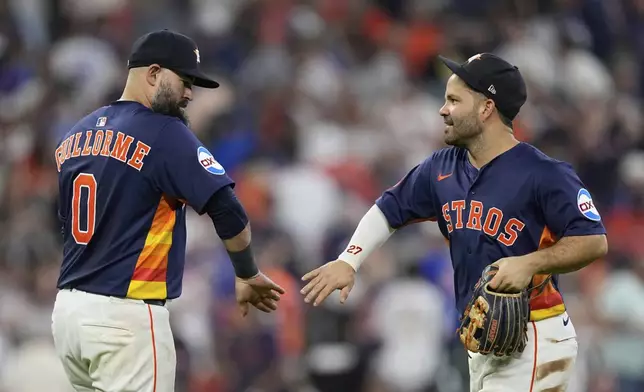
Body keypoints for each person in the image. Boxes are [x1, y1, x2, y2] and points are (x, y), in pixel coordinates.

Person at [300, 53, 608, 391]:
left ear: (486, 108)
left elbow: (593, 241)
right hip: (482, 342)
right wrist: (349, 260)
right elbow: (388, 210)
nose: (443, 109)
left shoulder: (544, 174)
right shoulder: (441, 168)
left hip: (535, 336)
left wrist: (530, 263)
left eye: (453, 100)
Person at [51, 30, 285, 392]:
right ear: (154, 73)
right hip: (126, 317)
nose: (190, 93)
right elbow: (230, 212)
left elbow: (62, 223)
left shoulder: (76, 135)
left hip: (68, 316)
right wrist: (246, 273)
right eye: (184, 80)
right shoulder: (164, 132)